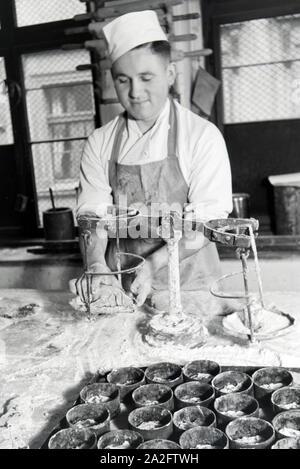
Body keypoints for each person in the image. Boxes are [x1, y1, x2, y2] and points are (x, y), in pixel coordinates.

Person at [74, 10, 232, 309]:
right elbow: (91, 217)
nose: (135, 92)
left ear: (170, 74)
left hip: (191, 292)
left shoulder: (200, 137)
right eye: (123, 80)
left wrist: (150, 265)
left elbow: (205, 223)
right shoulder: (100, 142)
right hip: (121, 291)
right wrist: (96, 266)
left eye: (146, 77)